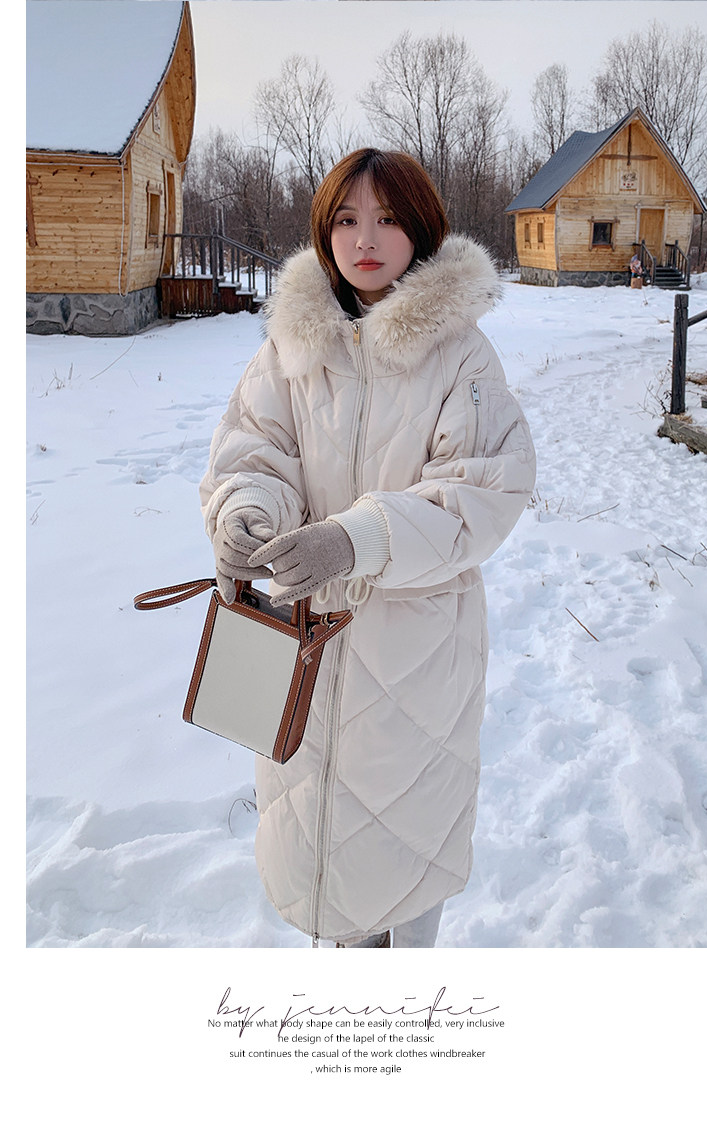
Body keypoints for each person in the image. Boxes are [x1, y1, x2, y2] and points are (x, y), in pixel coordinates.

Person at [199, 148, 536, 948]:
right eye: (347, 219)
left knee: (405, 853)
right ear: (325, 231)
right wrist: (246, 512)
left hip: (414, 655)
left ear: (419, 227)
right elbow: (256, 451)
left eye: (387, 218)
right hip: (302, 650)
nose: (366, 239)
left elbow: (481, 490)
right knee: (319, 844)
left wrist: (357, 539)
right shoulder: (291, 346)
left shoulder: (459, 353)